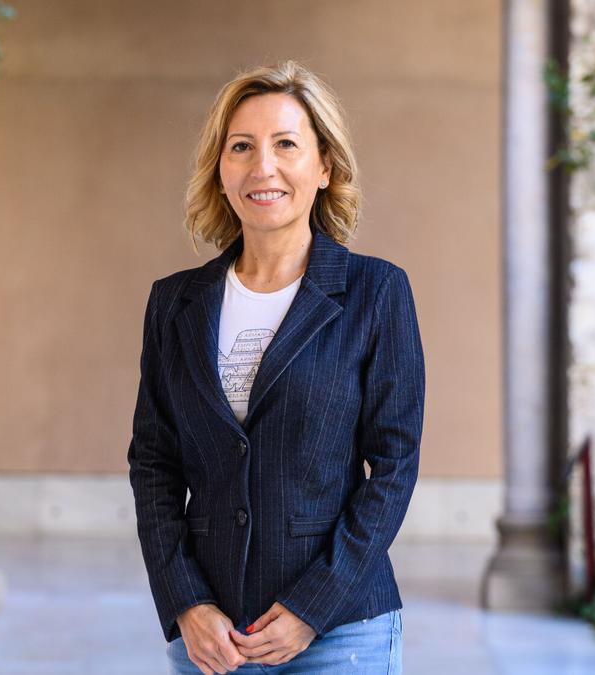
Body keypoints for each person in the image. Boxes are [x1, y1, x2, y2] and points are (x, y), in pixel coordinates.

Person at [127, 60, 425, 674]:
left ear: (324, 168)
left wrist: (313, 605)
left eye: (286, 144)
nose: (262, 166)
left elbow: (393, 467)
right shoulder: (174, 303)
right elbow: (153, 464)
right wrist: (187, 602)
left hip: (341, 631)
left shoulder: (377, 292)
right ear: (220, 170)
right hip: (212, 640)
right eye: (241, 147)